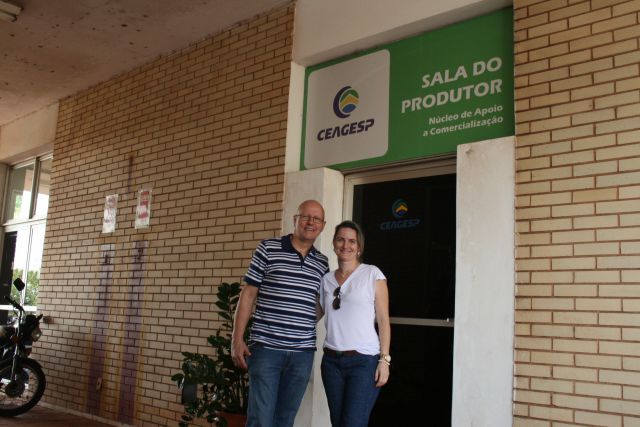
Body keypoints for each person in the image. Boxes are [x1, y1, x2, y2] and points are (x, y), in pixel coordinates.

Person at [231, 200, 329, 427]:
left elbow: (321, 303)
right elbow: (248, 294)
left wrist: (301, 322)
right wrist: (237, 339)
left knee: (285, 420)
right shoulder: (268, 248)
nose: (311, 222)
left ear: (323, 226)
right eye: (306, 216)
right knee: (261, 419)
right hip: (267, 350)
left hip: (302, 355)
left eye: (317, 219)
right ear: (295, 219)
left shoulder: (322, 263)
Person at [319, 220, 391, 427]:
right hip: (331, 362)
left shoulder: (372, 274)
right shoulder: (326, 280)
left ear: (359, 246)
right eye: (340, 240)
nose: (345, 245)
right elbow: (316, 313)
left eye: (352, 241)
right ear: (334, 243)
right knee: (338, 422)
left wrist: (384, 360)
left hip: (363, 362)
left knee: (353, 423)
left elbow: (383, 320)